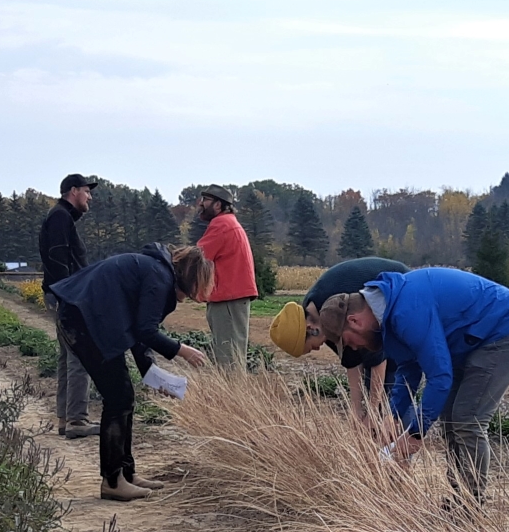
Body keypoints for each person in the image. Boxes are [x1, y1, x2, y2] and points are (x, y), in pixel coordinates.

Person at [319, 268, 509, 506]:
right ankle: (459, 497)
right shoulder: (388, 315)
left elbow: (440, 377)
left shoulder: (406, 310)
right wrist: (393, 415)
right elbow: (409, 367)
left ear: (355, 321)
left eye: (349, 341)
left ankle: (471, 504)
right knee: (450, 418)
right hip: (471, 341)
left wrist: (415, 433)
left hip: (503, 332)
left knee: (466, 418)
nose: (356, 348)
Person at [50, 243, 213, 502]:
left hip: (84, 317)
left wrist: (152, 375)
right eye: (199, 284)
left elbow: (138, 333)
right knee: (118, 398)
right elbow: (145, 331)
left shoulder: (155, 270)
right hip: (84, 321)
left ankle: (126, 472)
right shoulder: (159, 278)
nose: (196, 293)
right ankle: (113, 481)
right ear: (189, 276)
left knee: (124, 397)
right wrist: (182, 350)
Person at [268, 257, 409, 428]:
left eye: (311, 347)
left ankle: (402, 441)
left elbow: (377, 359)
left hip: (404, 298)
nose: (318, 348)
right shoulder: (316, 316)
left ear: (310, 329)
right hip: (381, 320)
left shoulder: (333, 307)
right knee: (372, 395)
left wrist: (372, 410)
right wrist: (356, 411)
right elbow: (352, 359)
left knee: (394, 386)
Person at [39, 173, 99, 439]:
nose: (90, 197)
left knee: (67, 357)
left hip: (61, 294)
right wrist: (70, 294)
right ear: (73, 191)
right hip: (67, 296)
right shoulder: (61, 217)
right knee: (80, 355)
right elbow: (57, 259)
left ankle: (65, 418)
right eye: (87, 191)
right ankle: (77, 420)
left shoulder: (60, 217)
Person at [195, 184, 257, 369]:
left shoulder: (221, 225)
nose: (201, 204)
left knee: (229, 361)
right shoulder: (230, 223)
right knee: (232, 356)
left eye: (206, 200)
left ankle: (233, 398)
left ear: (218, 205)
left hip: (228, 300)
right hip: (231, 299)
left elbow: (197, 257)